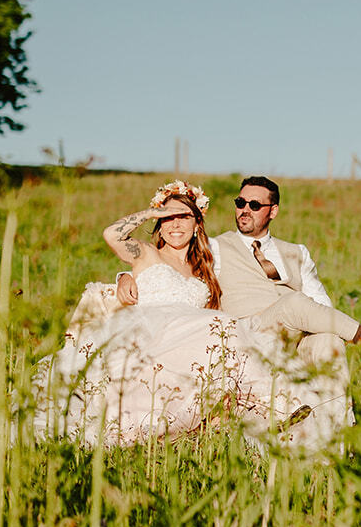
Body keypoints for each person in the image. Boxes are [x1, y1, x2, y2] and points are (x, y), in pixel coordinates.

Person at [27, 181, 328, 447]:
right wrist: (149, 215)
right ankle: (274, 405)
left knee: (226, 331)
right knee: (218, 326)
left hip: (186, 346)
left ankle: (275, 410)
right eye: (167, 218)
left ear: (197, 223)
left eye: (183, 217)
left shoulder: (205, 269)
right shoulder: (147, 253)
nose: (174, 225)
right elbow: (111, 234)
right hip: (148, 338)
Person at [213, 175, 361, 367]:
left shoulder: (297, 252)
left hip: (295, 336)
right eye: (240, 203)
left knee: (330, 342)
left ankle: (334, 416)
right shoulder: (216, 247)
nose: (245, 210)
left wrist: (328, 332)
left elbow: (320, 302)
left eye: (254, 205)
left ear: (273, 211)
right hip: (250, 331)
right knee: (294, 302)